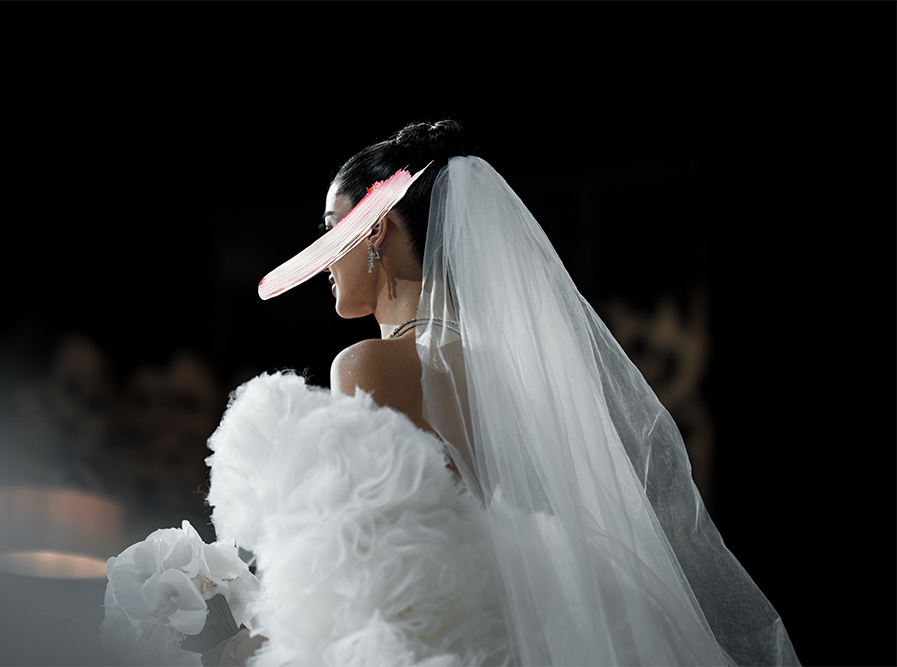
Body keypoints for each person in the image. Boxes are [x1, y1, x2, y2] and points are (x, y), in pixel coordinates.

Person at [205, 121, 798, 666]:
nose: (325, 261)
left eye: (333, 229)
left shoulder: (368, 365)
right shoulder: (513, 371)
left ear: (376, 229)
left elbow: (374, 570)